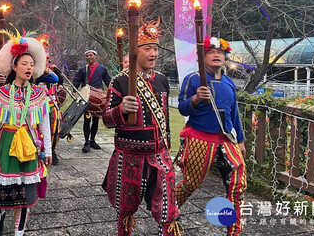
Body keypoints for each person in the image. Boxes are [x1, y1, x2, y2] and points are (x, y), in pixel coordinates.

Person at [102, 18, 181, 236]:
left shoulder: (163, 80)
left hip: (159, 154)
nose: (153, 53)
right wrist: (121, 111)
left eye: (155, 48)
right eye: (147, 48)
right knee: (126, 208)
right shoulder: (119, 82)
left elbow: (164, 117)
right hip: (129, 156)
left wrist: (167, 145)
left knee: (168, 209)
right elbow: (107, 119)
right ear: (136, 52)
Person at [0, 29, 51, 236]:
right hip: (7, 144)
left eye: (31, 64)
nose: (29, 67)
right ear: (14, 66)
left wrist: (49, 151)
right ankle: (0, 213)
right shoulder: (2, 93)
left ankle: (19, 233)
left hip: (30, 144)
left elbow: (43, 121)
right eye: (24, 64)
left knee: (27, 195)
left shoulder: (39, 93)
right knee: (4, 191)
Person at [175, 36, 246, 236]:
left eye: (220, 52)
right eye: (211, 52)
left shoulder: (229, 82)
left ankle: (234, 230)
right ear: (202, 57)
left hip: (225, 139)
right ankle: (168, 211)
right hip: (199, 136)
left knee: (237, 183)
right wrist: (196, 98)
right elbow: (182, 107)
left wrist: (240, 141)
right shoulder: (193, 79)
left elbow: (234, 114)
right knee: (191, 183)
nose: (217, 55)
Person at [72, 49, 111, 153]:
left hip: (98, 97)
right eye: (87, 56)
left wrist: (112, 92)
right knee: (87, 120)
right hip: (87, 97)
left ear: (95, 56)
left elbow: (108, 81)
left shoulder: (102, 68)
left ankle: (92, 140)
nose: (89, 57)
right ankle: (86, 142)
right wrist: (73, 91)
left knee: (96, 121)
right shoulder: (83, 69)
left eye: (91, 55)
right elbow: (76, 80)